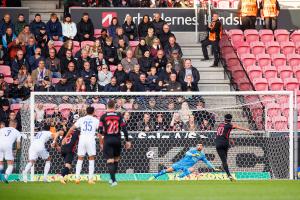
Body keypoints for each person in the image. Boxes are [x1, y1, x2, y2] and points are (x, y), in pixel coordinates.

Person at [62, 107, 99, 184]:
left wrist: (66, 137)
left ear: (86, 111)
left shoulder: (81, 119)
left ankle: (77, 178)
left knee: (80, 159)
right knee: (91, 158)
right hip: (90, 140)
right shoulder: (96, 120)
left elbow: (72, 128)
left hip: (82, 140)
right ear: (93, 112)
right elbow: (100, 131)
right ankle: (90, 179)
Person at [99, 99, 131, 186]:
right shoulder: (119, 115)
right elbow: (124, 129)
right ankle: (112, 179)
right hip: (117, 140)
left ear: (107, 106)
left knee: (110, 161)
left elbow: (100, 130)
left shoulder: (103, 116)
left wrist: (101, 142)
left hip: (108, 140)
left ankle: (113, 181)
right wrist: (127, 140)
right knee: (116, 160)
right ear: (114, 106)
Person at [215, 114, 251, 181]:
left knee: (224, 160)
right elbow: (236, 126)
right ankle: (224, 169)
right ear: (230, 120)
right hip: (225, 143)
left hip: (218, 143)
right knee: (225, 159)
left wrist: (229, 138)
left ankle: (227, 173)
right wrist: (246, 129)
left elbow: (222, 133)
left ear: (224, 119)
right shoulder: (229, 125)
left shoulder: (220, 125)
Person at [152, 143, 218, 179]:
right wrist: (193, 155)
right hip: (180, 163)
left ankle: (179, 178)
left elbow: (207, 162)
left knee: (192, 169)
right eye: (198, 145)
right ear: (196, 146)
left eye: (200, 145)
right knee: (167, 170)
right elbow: (187, 153)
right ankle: (155, 176)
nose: (199, 146)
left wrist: (213, 167)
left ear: (202, 147)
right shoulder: (193, 150)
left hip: (187, 166)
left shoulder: (202, 155)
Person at [58, 114, 80, 184]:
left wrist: (55, 142)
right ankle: (61, 176)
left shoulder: (68, 129)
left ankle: (65, 178)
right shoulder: (78, 132)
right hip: (70, 150)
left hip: (63, 148)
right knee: (68, 165)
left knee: (68, 165)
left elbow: (60, 133)